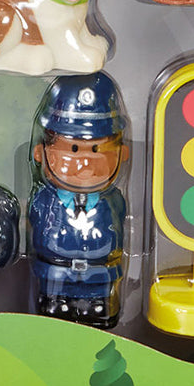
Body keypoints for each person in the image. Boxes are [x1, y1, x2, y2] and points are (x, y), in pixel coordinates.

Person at [29, 72, 127, 328]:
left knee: (98, 303)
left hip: (99, 270)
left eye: (96, 150)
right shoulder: (45, 199)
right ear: (40, 153)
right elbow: (36, 220)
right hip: (56, 271)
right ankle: (57, 302)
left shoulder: (112, 200)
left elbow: (119, 221)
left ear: (122, 153)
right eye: (73, 149)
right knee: (55, 304)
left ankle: (96, 305)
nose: (85, 163)